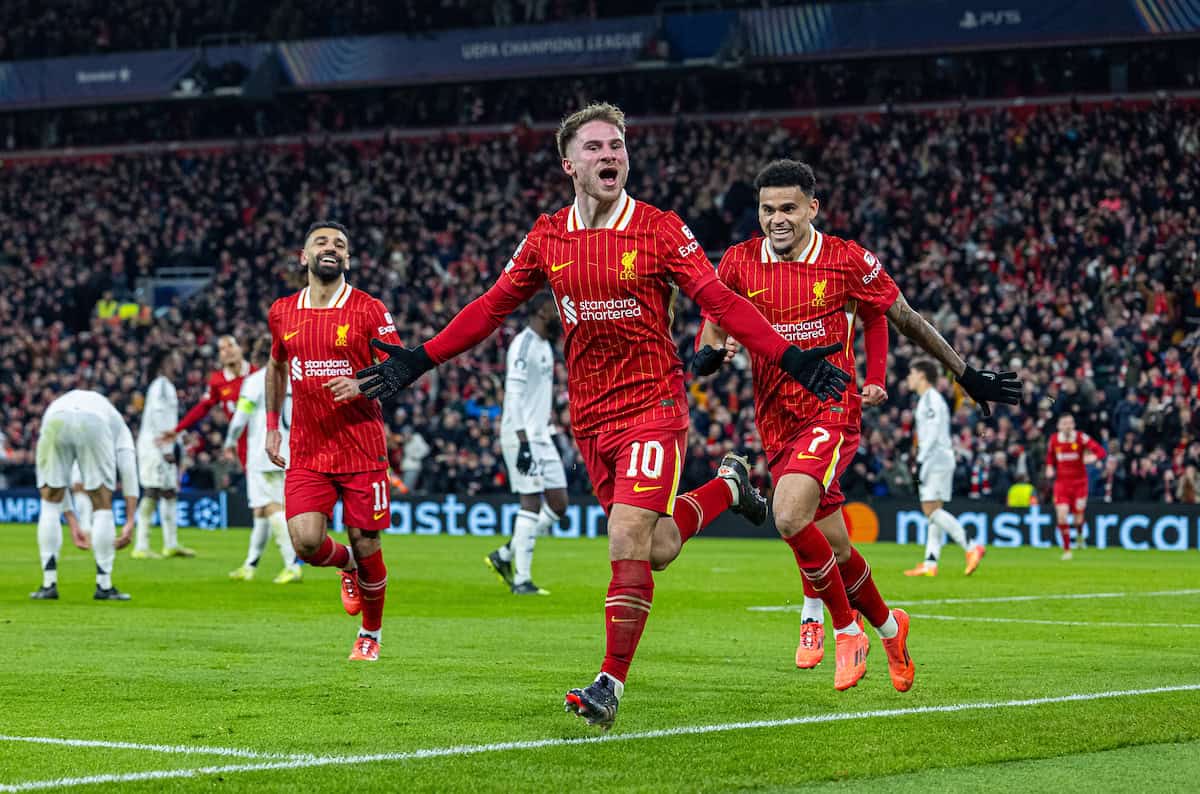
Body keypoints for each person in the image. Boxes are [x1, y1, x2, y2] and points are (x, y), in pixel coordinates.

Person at [357, 102, 855, 730]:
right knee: (657, 547)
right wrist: (419, 360)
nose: (609, 155)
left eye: (616, 145)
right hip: (591, 420)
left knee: (624, 540)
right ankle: (728, 488)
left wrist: (790, 355)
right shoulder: (547, 236)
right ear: (569, 163)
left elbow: (720, 299)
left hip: (655, 406)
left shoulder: (660, 229)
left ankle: (608, 684)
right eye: (594, 147)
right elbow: (490, 307)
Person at [696, 160, 1020, 690]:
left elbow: (905, 318)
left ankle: (846, 629)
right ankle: (892, 627)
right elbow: (711, 328)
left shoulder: (847, 260)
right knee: (837, 550)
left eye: (788, 209)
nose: (777, 219)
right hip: (775, 419)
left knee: (786, 514)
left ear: (812, 209)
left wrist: (967, 375)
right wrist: (708, 355)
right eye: (767, 209)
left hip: (831, 409)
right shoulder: (736, 263)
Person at [266, 220, 402, 661]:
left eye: (340, 244)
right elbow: (276, 366)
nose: (332, 248)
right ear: (304, 257)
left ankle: (371, 634)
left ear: (347, 259)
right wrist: (272, 424)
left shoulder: (368, 309)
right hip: (308, 448)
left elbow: (401, 367)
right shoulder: (283, 311)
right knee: (305, 542)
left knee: (368, 543)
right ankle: (345, 565)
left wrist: (363, 386)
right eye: (321, 242)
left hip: (361, 446)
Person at [485, 292, 567, 596]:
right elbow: (515, 395)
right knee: (531, 502)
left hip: (542, 435)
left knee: (558, 504)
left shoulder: (545, 345)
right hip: (521, 436)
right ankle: (521, 580)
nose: (558, 316)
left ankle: (505, 555)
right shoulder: (524, 344)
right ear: (540, 311)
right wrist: (522, 442)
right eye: (554, 310)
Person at [33, 389, 139, 600]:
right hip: (93, 423)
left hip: (54, 419)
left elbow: (57, 482)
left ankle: (48, 584)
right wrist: (129, 520)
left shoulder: (61, 403)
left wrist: (72, 520)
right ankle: (104, 585)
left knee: (49, 500)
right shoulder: (118, 423)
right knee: (101, 503)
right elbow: (128, 469)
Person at [224, 337, 302, 584]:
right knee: (261, 510)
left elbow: (240, 418)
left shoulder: (257, 380)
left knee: (271, 508)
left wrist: (229, 443)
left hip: (265, 453)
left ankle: (292, 565)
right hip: (292, 452)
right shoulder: (296, 378)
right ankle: (250, 564)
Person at [902, 359, 985, 577]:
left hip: (934, 459)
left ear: (921, 375)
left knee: (930, 510)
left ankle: (971, 545)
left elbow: (930, 436)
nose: (908, 378)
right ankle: (930, 562)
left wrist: (920, 462)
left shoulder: (930, 400)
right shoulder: (929, 399)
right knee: (934, 511)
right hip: (940, 458)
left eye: (911, 373)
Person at [133, 349, 193, 558]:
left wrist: (181, 435)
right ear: (164, 364)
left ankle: (171, 544)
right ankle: (141, 546)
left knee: (169, 492)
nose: (178, 364)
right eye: (174, 360)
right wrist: (166, 448)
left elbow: (169, 419)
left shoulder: (167, 386)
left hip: (161, 445)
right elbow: (159, 418)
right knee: (152, 491)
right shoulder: (160, 386)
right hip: (154, 447)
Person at [161, 335, 254, 466]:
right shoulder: (217, 380)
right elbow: (202, 408)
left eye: (231, 345)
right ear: (220, 356)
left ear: (240, 348)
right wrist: (178, 430)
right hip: (242, 442)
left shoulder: (257, 373)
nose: (227, 351)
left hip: (267, 434)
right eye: (222, 348)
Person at [1044, 413, 1106, 560]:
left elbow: (1101, 452)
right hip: (1062, 484)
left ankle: (1079, 536)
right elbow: (1050, 458)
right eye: (1064, 423)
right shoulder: (1053, 440)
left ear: (1073, 425)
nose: (1067, 426)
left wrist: (1094, 458)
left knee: (1078, 519)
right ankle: (1067, 550)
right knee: (1062, 516)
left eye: (1070, 423)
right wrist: (1049, 467)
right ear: (1059, 426)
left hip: (1079, 484)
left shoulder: (1080, 438)